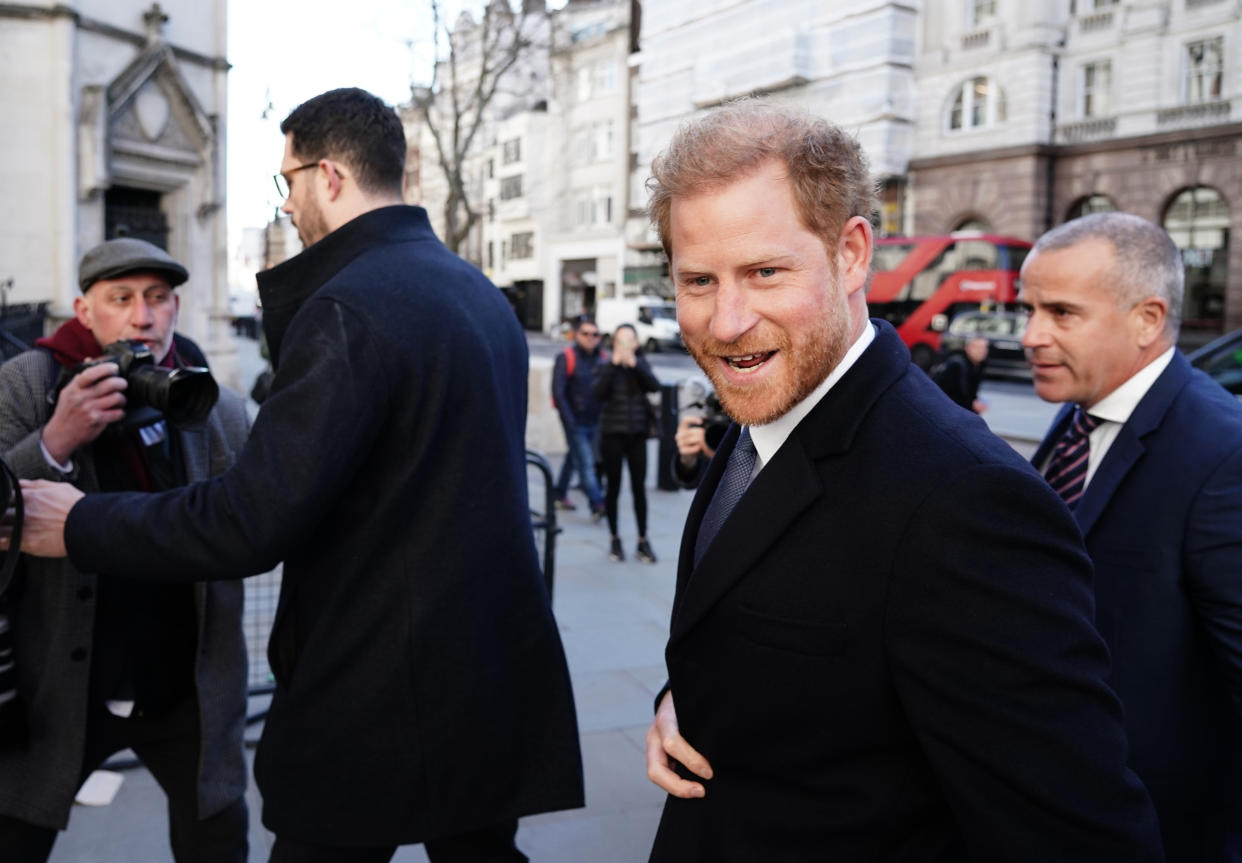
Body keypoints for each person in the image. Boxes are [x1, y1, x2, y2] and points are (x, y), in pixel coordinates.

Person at [8, 88, 583, 862]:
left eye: (288, 182)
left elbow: (249, 518)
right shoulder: (478, 294)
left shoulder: (345, 306)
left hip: (375, 684)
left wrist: (76, 521)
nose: (287, 206)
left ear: (331, 176)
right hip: (482, 668)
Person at [640, 100, 1163, 860]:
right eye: (698, 280)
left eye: (765, 271)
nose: (725, 321)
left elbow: (1080, 835)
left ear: (852, 254)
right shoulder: (763, 417)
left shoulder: (965, 500)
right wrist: (691, 695)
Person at [0, 238, 250, 862]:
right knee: (13, 837)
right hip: (57, 681)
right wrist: (57, 439)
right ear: (86, 312)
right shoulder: (29, 380)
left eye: (158, 299)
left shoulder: (207, 398)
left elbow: (258, 520)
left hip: (182, 682)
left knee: (217, 841)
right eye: (122, 299)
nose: (143, 317)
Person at [1022, 211, 1242, 861]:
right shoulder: (1077, 413)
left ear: (1146, 319)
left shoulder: (1221, 451)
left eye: (1061, 313)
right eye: (1027, 308)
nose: (1030, 335)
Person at [591, 323, 661, 563]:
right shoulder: (605, 365)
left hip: (637, 434)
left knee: (639, 488)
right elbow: (597, 393)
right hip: (612, 434)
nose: (624, 346)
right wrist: (613, 365)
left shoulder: (640, 364)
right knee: (613, 487)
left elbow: (654, 386)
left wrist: (636, 365)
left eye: (628, 340)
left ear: (636, 343)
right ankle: (614, 539)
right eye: (620, 341)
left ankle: (643, 540)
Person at [551, 314, 607, 517]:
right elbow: (558, 392)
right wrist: (569, 421)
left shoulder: (603, 359)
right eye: (586, 334)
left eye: (595, 334)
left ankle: (558, 493)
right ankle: (597, 503)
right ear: (577, 335)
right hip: (575, 421)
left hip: (595, 420)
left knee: (573, 458)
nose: (591, 338)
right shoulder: (566, 357)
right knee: (585, 463)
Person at [931, 335, 989, 413]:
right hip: (945, 410)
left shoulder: (978, 366)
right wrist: (972, 404)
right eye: (977, 347)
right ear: (967, 348)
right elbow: (945, 394)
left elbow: (971, 393)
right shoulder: (957, 365)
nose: (982, 351)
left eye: (984, 348)